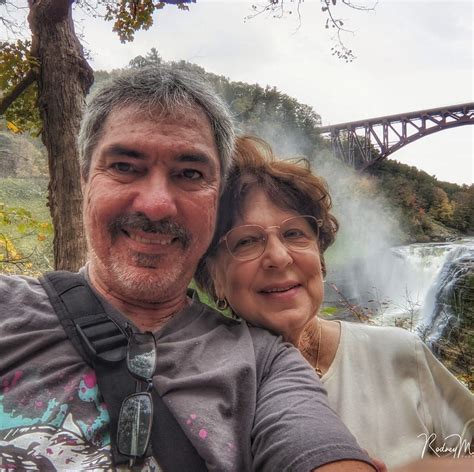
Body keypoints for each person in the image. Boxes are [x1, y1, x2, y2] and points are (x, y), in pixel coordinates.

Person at [0, 66, 376, 471]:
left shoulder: (264, 366)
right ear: (85, 181)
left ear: (216, 200)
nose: (156, 205)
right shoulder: (9, 309)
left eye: (190, 174)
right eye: (125, 166)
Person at [195, 135, 474, 470]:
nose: (279, 257)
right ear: (214, 276)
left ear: (320, 254)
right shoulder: (202, 397)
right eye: (247, 241)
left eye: (294, 234)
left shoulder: (402, 354)